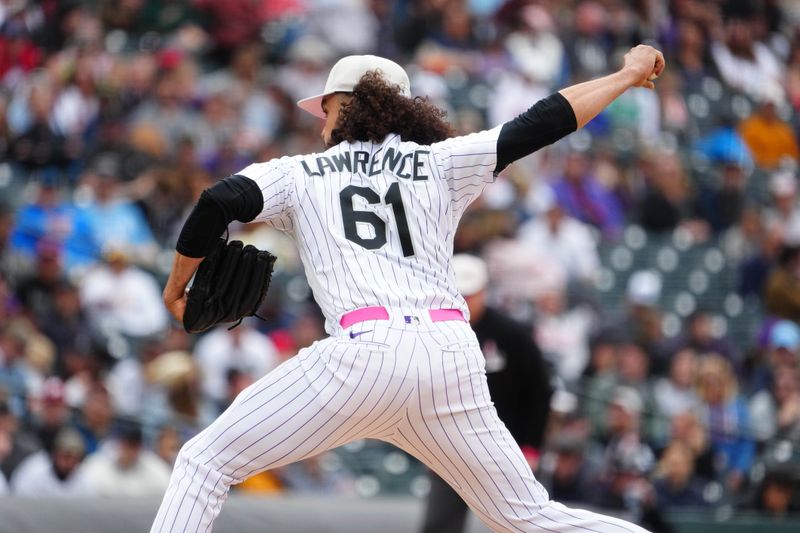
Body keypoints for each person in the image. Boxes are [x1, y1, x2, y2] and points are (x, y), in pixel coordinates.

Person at [152, 46, 666, 532]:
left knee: (204, 462)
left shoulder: (299, 173)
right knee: (529, 517)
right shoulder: (442, 162)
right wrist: (623, 77)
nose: (322, 121)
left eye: (327, 108)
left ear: (350, 106)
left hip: (364, 357)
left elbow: (216, 203)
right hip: (450, 360)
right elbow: (544, 122)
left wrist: (178, 286)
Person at [419, 254, 552, 533]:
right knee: (438, 526)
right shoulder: (432, 335)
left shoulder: (513, 336)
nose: (465, 301)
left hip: (510, 448)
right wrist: (428, 449)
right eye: (460, 295)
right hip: (452, 449)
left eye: (471, 295)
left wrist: (530, 446)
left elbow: (539, 393)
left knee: (527, 524)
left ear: (484, 292)